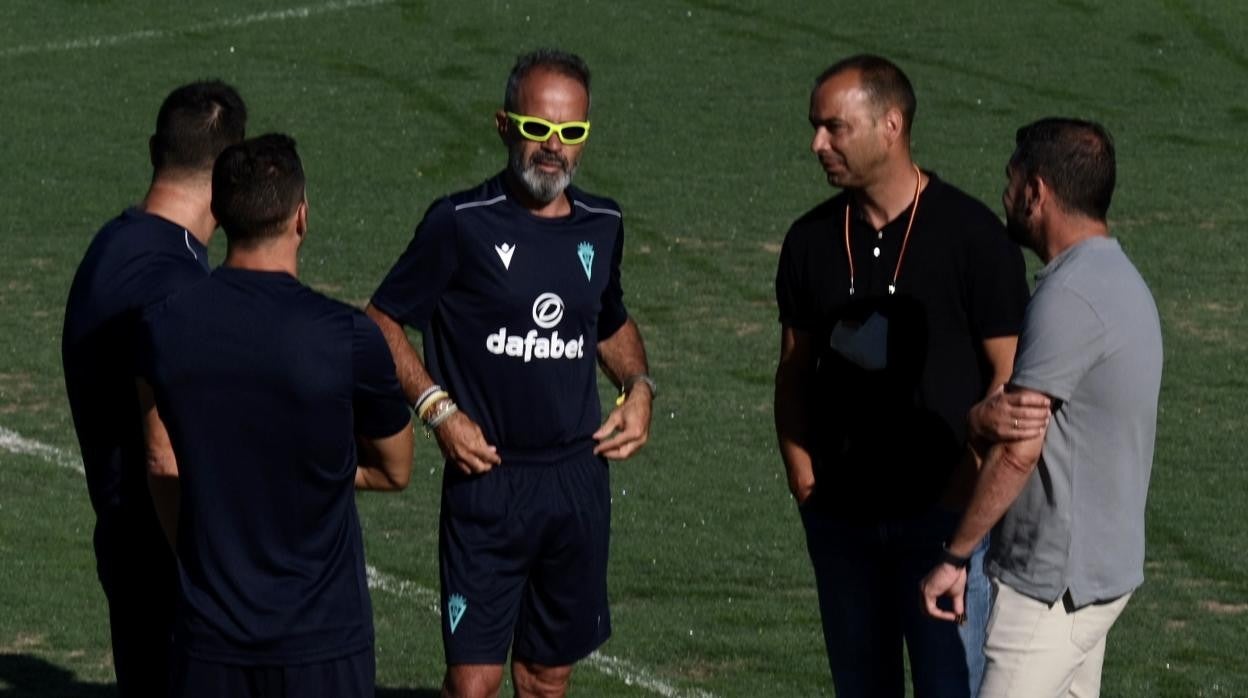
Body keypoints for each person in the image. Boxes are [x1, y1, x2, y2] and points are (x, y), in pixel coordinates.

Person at [366, 48, 654, 698]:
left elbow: (607, 321)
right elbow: (381, 319)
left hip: (578, 483)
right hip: (488, 482)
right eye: (538, 127)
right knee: (472, 683)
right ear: (504, 125)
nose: (553, 146)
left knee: (546, 679)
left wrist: (639, 387)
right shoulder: (458, 223)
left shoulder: (603, 224)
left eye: (571, 132)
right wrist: (437, 409)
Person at [773, 54, 1034, 697]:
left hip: (941, 524)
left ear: (891, 126)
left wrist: (961, 505)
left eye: (834, 127)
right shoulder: (809, 241)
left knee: (951, 686)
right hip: (841, 520)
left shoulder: (974, 239)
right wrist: (805, 482)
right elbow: (793, 370)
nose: (817, 144)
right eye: (816, 127)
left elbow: (1010, 381)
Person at [137, 133, 414, 697]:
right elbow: (395, 470)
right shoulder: (347, 337)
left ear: (218, 212)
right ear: (301, 216)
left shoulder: (162, 328)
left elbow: (161, 461)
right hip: (322, 642)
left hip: (208, 635)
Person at [921, 118, 1163, 698]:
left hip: (1051, 585)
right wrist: (982, 418)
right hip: (1096, 575)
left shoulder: (1068, 296)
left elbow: (1017, 450)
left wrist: (955, 556)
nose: (1005, 195)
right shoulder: (1117, 278)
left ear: (1037, 193)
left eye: (1011, 181)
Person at [61, 80, 246, 696]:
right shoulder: (174, 285)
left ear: (153, 151)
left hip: (128, 542)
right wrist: (202, 570)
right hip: (166, 558)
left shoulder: (113, 245)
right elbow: (164, 452)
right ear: (229, 173)